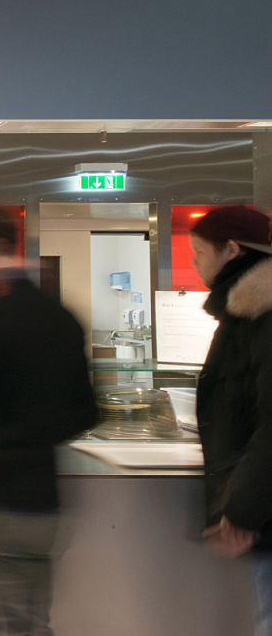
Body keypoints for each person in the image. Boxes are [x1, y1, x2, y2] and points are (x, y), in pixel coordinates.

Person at [0, 208, 97, 636]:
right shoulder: (61, 315)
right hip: (46, 497)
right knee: (32, 620)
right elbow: (86, 410)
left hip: (4, 493)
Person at [188, 205, 272, 634]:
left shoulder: (260, 316)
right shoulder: (244, 312)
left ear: (232, 250)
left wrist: (241, 510)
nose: (193, 262)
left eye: (199, 251)